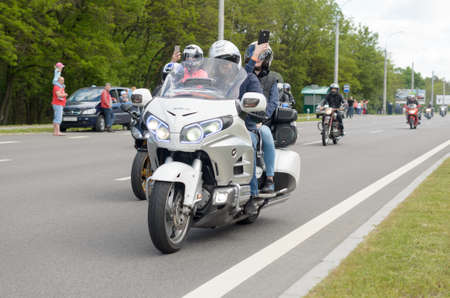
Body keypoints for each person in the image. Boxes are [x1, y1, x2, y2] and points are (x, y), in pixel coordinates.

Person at [208, 40, 266, 215]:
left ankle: (253, 196)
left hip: (244, 126)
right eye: (221, 62)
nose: (225, 66)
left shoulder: (247, 78)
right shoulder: (210, 82)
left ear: (236, 62)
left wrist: (254, 58)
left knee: (249, 143)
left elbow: (252, 95)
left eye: (229, 61)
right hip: (217, 127)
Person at [244, 41, 279, 196]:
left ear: (267, 59)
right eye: (255, 55)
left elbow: (273, 102)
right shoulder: (243, 75)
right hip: (241, 119)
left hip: (260, 120)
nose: (257, 58)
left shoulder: (272, 79)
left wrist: (263, 118)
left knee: (266, 135)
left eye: (260, 56)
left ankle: (270, 178)